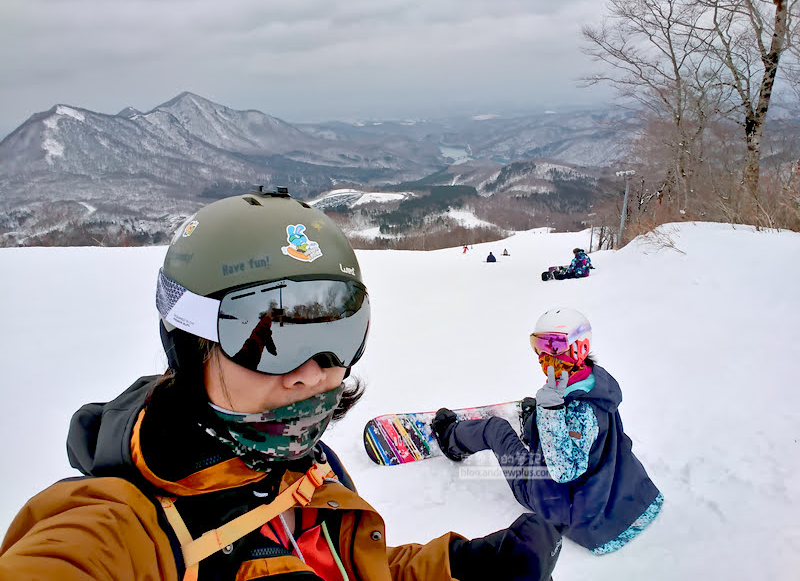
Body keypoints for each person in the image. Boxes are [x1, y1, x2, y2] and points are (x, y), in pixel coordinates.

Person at [0, 189, 562, 580]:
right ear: (192, 345)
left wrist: (458, 569)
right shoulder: (124, 527)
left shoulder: (310, 471)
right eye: (269, 339)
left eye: (340, 332)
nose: (314, 373)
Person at [432, 307, 663, 555]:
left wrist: (551, 412)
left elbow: (563, 471)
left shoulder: (580, 412)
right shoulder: (597, 385)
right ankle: (534, 422)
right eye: (537, 344)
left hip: (560, 502)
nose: (543, 355)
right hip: (611, 491)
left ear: (579, 347)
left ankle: (449, 438)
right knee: (540, 412)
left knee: (495, 428)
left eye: (552, 345)